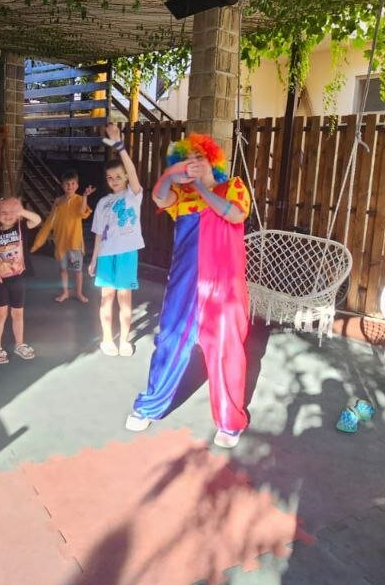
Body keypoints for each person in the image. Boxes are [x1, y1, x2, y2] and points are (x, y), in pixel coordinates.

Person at [124, 134, 253, 448]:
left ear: (213, 161)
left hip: (223, 284)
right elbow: (158, 198)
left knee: (225, 347)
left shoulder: (233, 186)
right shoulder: (181, 195)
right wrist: (170, 175)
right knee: (170, 337)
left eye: (200, 157)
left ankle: (229, 420)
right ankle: (151, 404)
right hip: (185, 281)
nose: (193, 162)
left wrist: (201, 188)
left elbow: (235, 214)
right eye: (187, 158)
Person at [88, 124, 144, 357]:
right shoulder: (103, 203)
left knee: (124, 298)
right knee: (106, 298)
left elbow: (131, 170)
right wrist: (93, 259)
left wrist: (120, 146)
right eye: (110, 178)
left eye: (118, 176)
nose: (114, 180)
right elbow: (98, 233)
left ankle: (125, 340)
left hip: (127, 254)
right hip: (105, 254)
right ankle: (107, 338)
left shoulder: (134, 195)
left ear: (126, 177)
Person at [0, 197, 43, 364]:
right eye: (3, 212)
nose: (8, 215)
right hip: (1, 280)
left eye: (12, 212)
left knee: (18, 314)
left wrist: (22, 211)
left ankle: (19, 344)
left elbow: (37, 220)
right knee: (0, 314)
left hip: (18, 278)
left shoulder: (21, 228)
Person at [32, 171, 94, 302]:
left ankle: (79, 293)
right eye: (67, 184)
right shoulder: (58, 201)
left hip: (75, 242)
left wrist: (85, 196)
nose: (70, 186)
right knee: (63, 269)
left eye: (73, 183)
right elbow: (51, 220)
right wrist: (40, 239)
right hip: (61, 242)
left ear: (77, 185)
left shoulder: (80, 199)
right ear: (62, 185)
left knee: (77, 270)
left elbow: (82, 213)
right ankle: (65, 292)